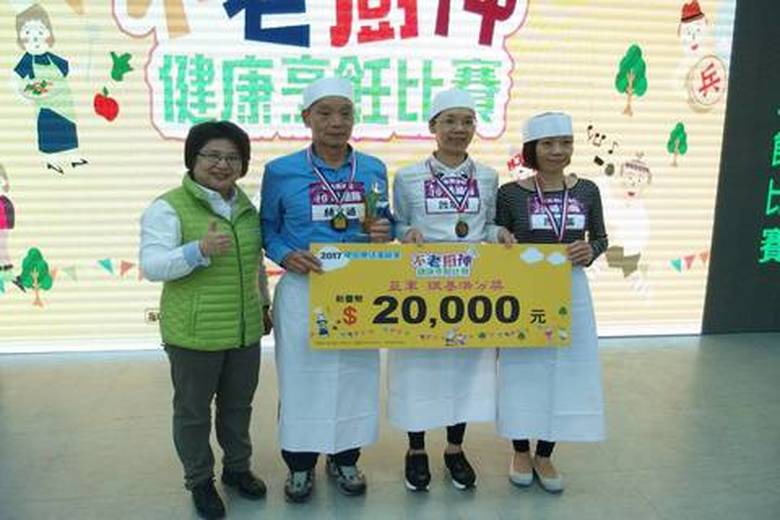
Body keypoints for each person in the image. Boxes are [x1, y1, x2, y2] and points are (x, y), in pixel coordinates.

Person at [260, 77, 392, 503]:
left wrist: (383, 230)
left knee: (355, 376)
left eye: (345, 113)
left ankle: (345, 458)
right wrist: (285, 255)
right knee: (301, 377)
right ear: (307, 118)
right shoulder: (280, 171)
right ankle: (299, 465)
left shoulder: (372, 168)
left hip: (359, 289)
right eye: (325, 113)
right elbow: (268, 227)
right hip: (304, 288)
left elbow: (383, 220)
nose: (336, 122)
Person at [140, 121, 271, 519]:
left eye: (232, 157)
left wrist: (263, 305)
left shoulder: (246, 209)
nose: (222, 165)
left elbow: (255, 264)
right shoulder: (168, 207)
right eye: (212, 155)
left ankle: (237, 469)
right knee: (193, 412)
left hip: (244, 331)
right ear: (192, 159)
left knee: (238, 406)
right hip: (194, 334)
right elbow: (152, 266)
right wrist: (197, 250)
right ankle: (199, 480)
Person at [389, 89, 515, 492]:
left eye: (467, 121)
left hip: (469, 287)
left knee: (463, 369)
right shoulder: (408, 176)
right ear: (433, 126)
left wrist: (499, 233)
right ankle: (416, 450)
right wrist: (404, 232)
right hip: (423, 287)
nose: (459, 129)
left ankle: (455, 449)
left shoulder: (488, 177)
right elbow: (397, 224)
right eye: (450, 121)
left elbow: (486, 225)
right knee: (418, 370)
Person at [495, 112, 608, 493]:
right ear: (532, 148)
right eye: (548, 144)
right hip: (523, 290)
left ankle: (545, 454)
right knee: (520, 370)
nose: (557, 151)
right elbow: (497, 235)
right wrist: (501, 237)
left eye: (565, 143)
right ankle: (520, 451)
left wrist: (590, 250)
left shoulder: (587, 190)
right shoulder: (510, 193)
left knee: (565, 370)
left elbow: (601, 238)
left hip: (570, 290)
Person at [13, 4, 87, 173]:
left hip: (65, 105)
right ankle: (51, 162)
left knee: (68, 132)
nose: (35, 40)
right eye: (28, 35)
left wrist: (83, 66)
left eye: (39, 33)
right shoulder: (27, 60)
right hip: (46, 107)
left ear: (48, 34)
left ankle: (74, 158)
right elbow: (17, 79)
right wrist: (23, 92)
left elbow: (70, 68)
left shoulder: (52, 58)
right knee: (49, 137)